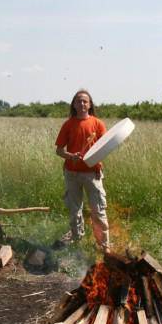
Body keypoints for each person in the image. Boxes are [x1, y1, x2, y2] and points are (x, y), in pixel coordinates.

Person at [54, 89, 110, 249]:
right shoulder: (68, 124)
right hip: (71, 173)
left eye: (85, 101)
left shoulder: (97, 124)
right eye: (79, 101)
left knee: (98, 210)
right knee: (74, 209)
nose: (82, 103)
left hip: (92, 173)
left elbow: (105, 147)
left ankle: (103, 246)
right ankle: (77, 240)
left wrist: (96, 162)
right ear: (74, 104)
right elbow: (59, 151)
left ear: (90, 104)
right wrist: (71, 156)